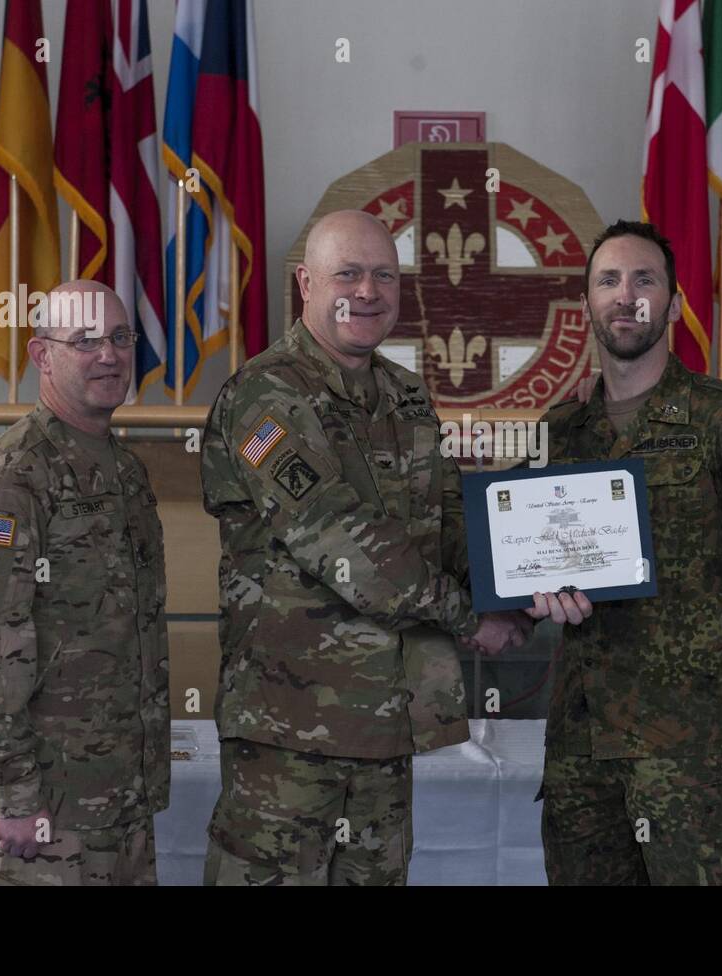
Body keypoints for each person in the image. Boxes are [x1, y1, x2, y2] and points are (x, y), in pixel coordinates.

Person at [200, 209, 528, 886]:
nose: (368, 290)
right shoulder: (266, 396)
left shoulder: (403, 396)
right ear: (306, 283)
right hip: (290, 733)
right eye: (347, 272)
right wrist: (474, 619)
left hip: (387, 726)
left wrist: (526, 591)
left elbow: (448, 523)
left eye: (384, 274)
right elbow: (341, 540)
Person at [536, 219, 722, 884]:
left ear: (674, 302)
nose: (625, 295)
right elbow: (529, 559)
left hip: (695, 749)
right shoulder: (561, 433)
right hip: (583, 751)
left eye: (644, 279)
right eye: (608, 280)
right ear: (587, 306)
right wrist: (529, 596)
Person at [0, 280, 169, 885]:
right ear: (43, 356)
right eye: (86, 341)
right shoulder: (8, 480)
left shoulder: (124, 470)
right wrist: (15, 794)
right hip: (35, 820)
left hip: (117, 806)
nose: (110, 355)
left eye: (121, 338)